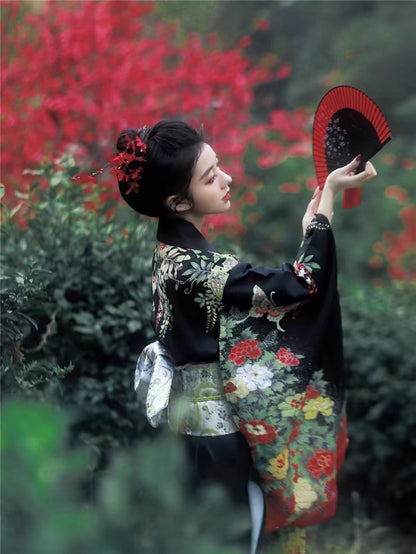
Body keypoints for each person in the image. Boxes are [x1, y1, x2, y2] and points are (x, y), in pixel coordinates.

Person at [116, 120, 377, 553]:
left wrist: (311, 229)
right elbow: (297, 287)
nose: (227, 177)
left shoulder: (172, 254)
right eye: (210, 175)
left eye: (218, 166)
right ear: (178, 201)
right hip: (214, 441)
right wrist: (326, 204)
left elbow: (270, 286)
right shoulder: (194, 267)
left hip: (194, 433)